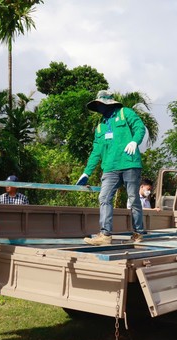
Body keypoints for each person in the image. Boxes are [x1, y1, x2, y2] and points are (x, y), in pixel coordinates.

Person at [76, 90, 146, 245]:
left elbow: (140, 128)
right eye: (97, 105)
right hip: (110, 167)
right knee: (104, 197)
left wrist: (135, 141)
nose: (100, 107)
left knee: (133, 198)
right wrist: (86, 172)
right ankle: (105, 235)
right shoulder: (100, 126)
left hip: (130, 163)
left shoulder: (125, 113)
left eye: (101, 104)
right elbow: (96, 151)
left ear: (109, 103)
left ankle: (138, 233)